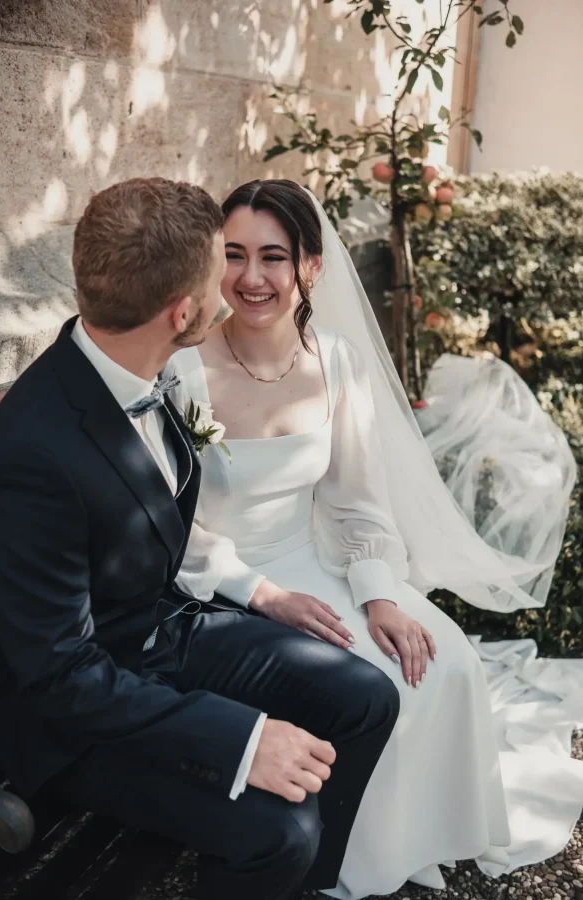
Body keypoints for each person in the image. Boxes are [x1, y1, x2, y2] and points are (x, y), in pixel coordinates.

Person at [0, 178, 401, 900]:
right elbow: (61, 677)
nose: (235, 286)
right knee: (283, 829)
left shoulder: (142, 367)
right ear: (184, 312)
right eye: (221, 271)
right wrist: (241, 741)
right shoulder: (32, 453)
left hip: (163, 632)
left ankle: (293, 887)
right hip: (72, 713)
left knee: (367, 697)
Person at [166, 178, 527, 899]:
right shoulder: (183, 369)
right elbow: (177, 529)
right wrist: (263, 596)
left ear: (312, 267)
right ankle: (334, 862)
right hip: (221, 584)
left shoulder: (335, 360)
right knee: (365, 686)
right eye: (233, 255)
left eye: (274, 256)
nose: (251, 278)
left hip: (317, 562)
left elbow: (358, 504)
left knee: (444, 661)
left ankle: (409, 843)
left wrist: (379, 595)